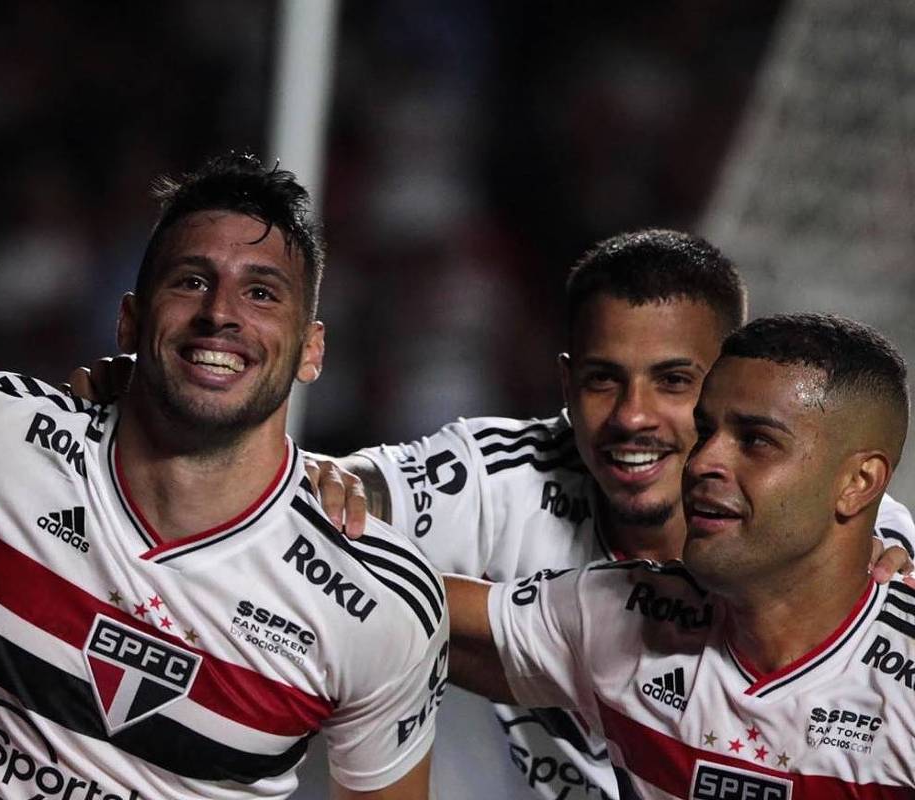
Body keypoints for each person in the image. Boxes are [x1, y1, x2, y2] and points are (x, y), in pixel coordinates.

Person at [0, 27, 447, 799]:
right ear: (129, 323)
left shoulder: (376, 601)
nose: (221, 313)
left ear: (311, 350)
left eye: (262, 293)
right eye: (191, 282)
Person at [278, 230, 915, 799]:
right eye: (603, 380)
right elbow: (296, 505)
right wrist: (314, 482)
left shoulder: (869, 544)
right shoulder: (568, 561)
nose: (633, 417)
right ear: (566, 384)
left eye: (673, 382)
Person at [447, 312, 915, 797]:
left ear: (858, 484)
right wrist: (359, 493)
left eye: (755, 440)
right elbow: (402, 609)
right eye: (705, 430)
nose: (703, 462)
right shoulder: (622, 610)